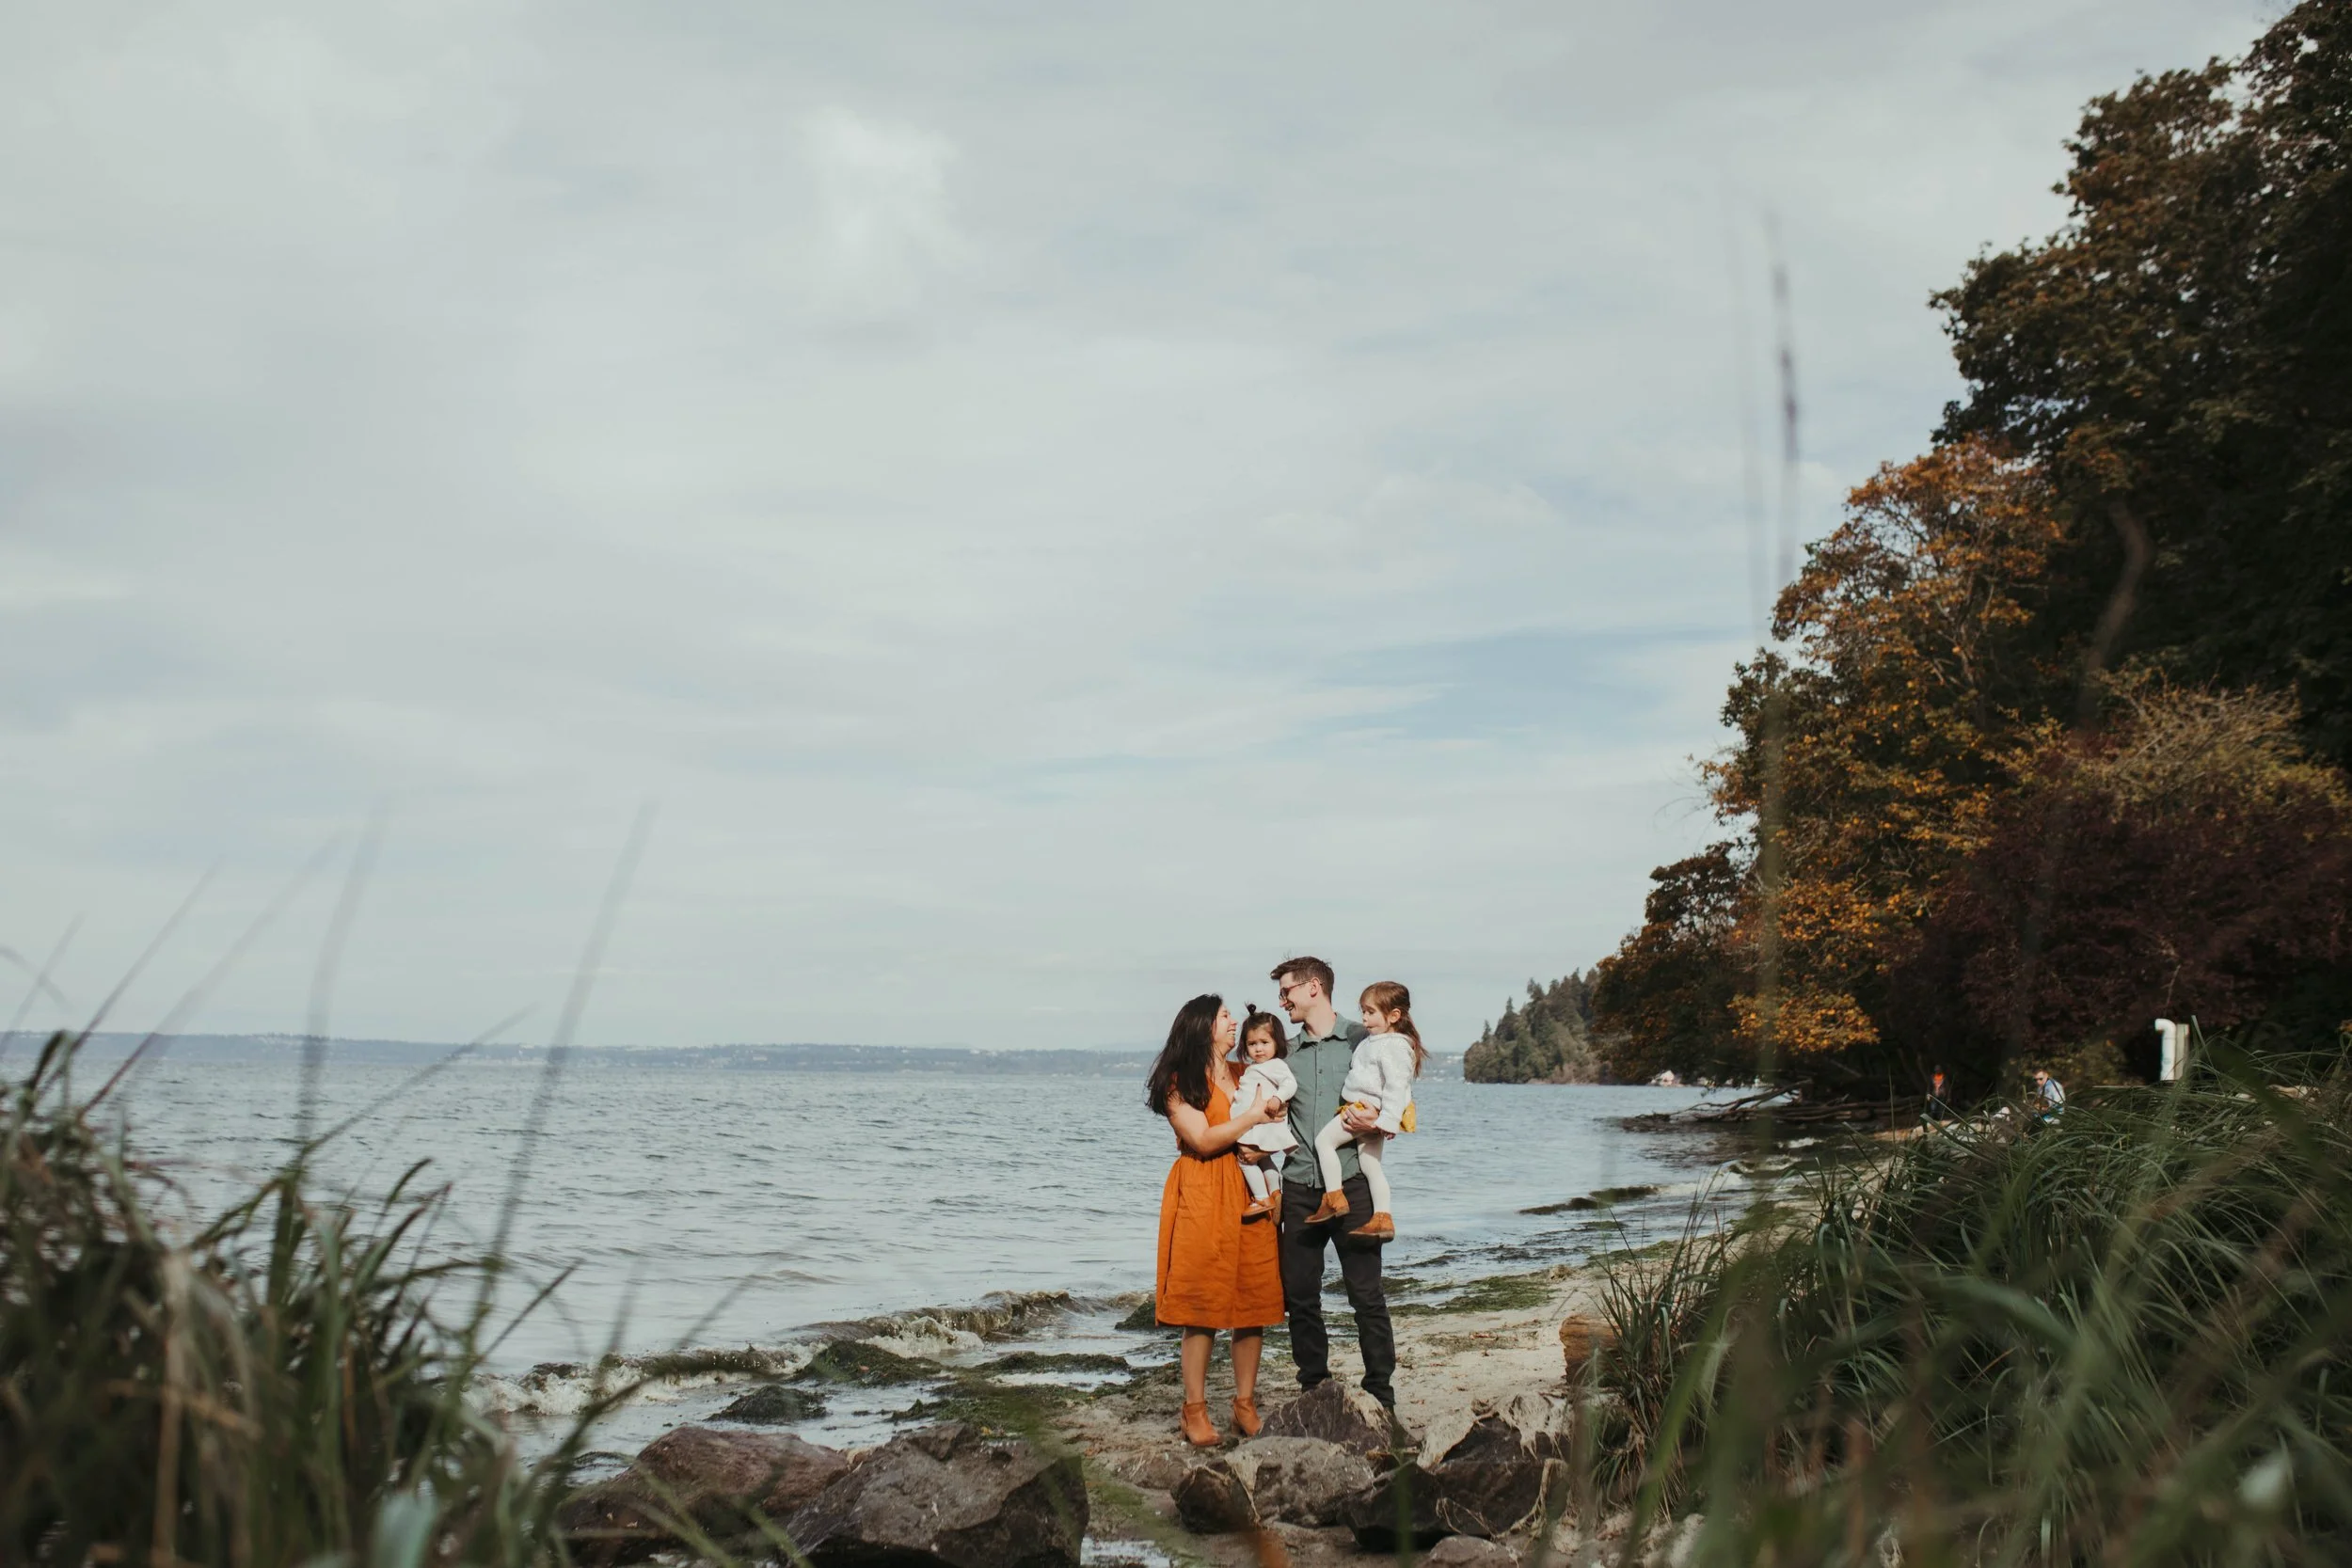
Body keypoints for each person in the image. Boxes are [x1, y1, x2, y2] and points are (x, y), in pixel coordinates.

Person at [1147, 992, 1289, 1447]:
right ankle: (1194, 1409)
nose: (1234, 1024)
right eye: (1226, 1016)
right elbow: (1204, 1139)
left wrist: (1266, 1144)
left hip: (1252, 1190)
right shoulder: (1178, 1082)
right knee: (1202, 1304)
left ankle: (1244, 1405)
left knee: (1255, 1301)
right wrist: (1251, 1117)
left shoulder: (1248, 1073)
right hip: (1204, 1189)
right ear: (1203, 1024)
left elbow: (1277, 1123)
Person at [1268, 955, 1398, 1413]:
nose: (1281, 1000)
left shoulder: (1367, 1037)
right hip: (1301, 1187)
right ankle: (1315, 1390)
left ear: (1313, 988)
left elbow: (1399, 1085)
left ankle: (1381, 1395)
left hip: (1354, 1183)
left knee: (1366, 1295)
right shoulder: (1283, 1053)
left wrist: (1380, 1121)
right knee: (1300, 1296)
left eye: (1287, 991)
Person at [1303, 981, 1423, 1241]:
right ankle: (1382, 1218)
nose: (1365, 1019)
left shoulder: (1392, 1045)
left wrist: (1387, 1121)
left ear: (1393, 1016)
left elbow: (1396, 1085)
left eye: (1370, 1012)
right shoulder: (1379, 1041)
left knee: (1323, 1142)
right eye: (1363, 1012)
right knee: (1370, 1165)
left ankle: (1334, 1197)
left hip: (1362, 1109)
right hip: (1374, 1112)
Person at [1232, 1006, 1299, 1219]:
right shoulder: (1255, 1067)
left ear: (1276, 1043)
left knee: (1245, 1160)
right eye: (1252, 1044)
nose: (1258, 1049)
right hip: (1256, 1124)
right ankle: (1275, 1192)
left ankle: (1261, 1197)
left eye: (1264, 1043)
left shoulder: (1276, 1065)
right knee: (1264, 1160)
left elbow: (1290, 1084)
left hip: (1262, 1125)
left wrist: (1278, 1098)